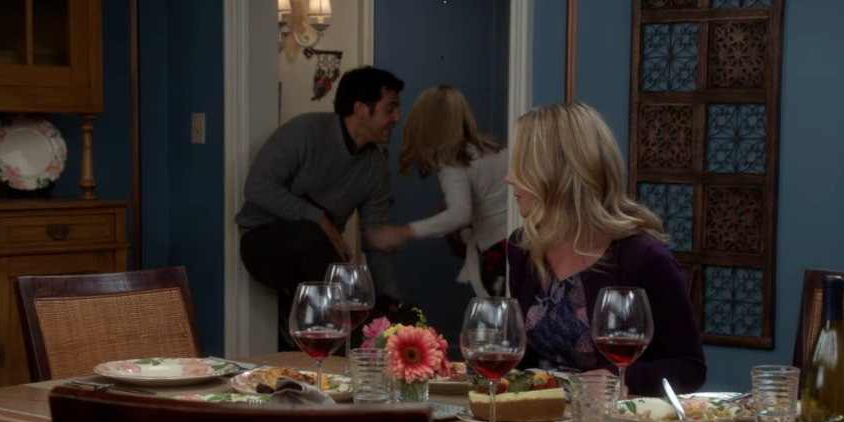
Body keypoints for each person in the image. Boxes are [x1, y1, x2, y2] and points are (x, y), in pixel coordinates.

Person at [506, 102, 706, 396]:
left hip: (614, 416)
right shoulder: (523, 246)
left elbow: (689, 367)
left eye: (520, 166)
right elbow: (524, 358)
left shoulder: (644, 258)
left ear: (557, 173)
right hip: (542, 413)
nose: (509, 177)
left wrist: (621, 379)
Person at [236, 66, 405, 307]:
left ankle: (361, 323)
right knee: (311, 237)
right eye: (390, 109)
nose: (397, 118)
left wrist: (390, 297)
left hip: (317, 251)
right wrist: (320, 220)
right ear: (360, 109)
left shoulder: (376, 169)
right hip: (261, 241)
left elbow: (376, 238)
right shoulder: (305, 132)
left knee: (353, 288)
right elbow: (257, 186)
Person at [367, 85, 509, 297]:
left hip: (501, 254)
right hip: (521, 244)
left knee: (497, 315)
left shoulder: (452, 161)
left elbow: (460, 213)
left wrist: (405, 232)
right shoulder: (493, 149)